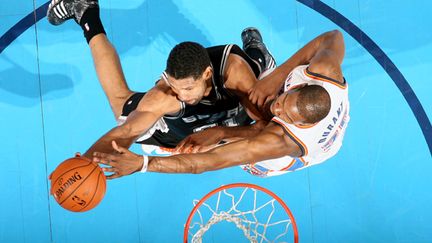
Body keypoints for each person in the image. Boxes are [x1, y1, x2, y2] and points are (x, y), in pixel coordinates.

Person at [93, 29, 350, 178]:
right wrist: (278, 77)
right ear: (305, 84)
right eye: (283, 99)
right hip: (299, 107)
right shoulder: (325, 70)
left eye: (283, 114)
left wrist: (143, 164)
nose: (277, 108)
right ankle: (261, 61)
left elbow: (205, 163)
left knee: (240, 129)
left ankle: (259, 64)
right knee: (261, 92)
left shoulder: (279, 140)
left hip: (297, 153)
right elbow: (332, 37)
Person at [47, 0, 276, 159]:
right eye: (176, 88)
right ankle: (85, 11)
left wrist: (221, 133)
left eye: (187, 88)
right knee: (121, 107)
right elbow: (126, 133)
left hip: (235, 109)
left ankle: (257, 53)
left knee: (260, 85)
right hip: (185, 127)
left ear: (207, 75)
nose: (182, 96)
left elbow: (266, 127)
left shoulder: (235, 75)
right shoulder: (167, 94)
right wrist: (88, 161)